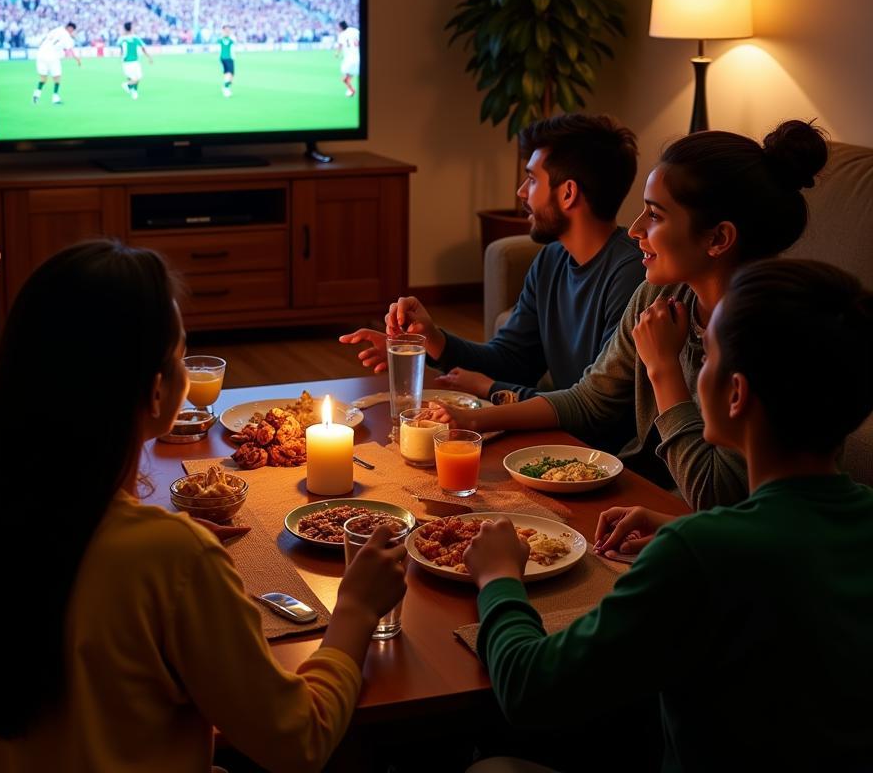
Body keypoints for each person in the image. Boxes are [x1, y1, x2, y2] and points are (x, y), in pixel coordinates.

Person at [0, 241, 406, 773]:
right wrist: (353, 610)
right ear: (157, 390)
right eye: (180, 351)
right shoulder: (168, 558)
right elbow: (298, 740)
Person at [463, 258, 873, 772]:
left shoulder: (702, 553)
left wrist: (500, 577)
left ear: (735, 393)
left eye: (706, 357)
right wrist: (681, 527)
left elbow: (529, 690)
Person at [434, 120, 828, 510]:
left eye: (655, 215)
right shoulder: (660, 294)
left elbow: (715, 495)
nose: (636, 229)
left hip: (708, 527)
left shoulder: (767, 338)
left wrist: (663, 368)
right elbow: (590, 400)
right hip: (645, 497)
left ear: (718, 238)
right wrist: (476, 421)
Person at [341, 116, 642, 443]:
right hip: (566, 439)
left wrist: (489, 390)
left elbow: (597, 409)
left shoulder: (630, 276)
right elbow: (513, 360)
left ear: (568, 193)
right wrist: (432, 339)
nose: (521, 192)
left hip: (608, 459)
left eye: (532, 179)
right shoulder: (552, 261)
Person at [33, 20, 81, 104]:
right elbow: (70, 50)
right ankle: (55, 98)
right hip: (52, 56)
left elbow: (44, 38)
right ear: (70, 29)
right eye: (73, 31)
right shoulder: (67, 36)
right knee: (57, 78)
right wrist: (77, 59)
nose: (72, 33)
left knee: (43, 79)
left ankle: (36, 95)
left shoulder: (56, 29)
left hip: (40, 54)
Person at [118, 19, 152, 100]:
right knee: (137, 78)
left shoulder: (121, 39)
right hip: (133, 61)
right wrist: (149, 57)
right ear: (131, 28)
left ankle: (133, 92)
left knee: (133, 77)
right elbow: (143, 48)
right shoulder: (135, 38)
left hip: (127, 62)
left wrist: (121, 58)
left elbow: (121, 51)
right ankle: (127, 85)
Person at [335, 19, 360, 97]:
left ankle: (352, 90)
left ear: (341, 27)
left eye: (338, 27)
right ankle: (351, 91)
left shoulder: (342, 34)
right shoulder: (355, 30)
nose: (338, 29)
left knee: (345, 79)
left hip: (349, 60)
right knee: (347, 78)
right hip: (358, 57)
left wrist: (336, 53)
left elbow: (340, 45)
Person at [218, 24, 235, 98]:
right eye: (226, 29)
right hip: (228, 58)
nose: (227, 31)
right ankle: (226, 88)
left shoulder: (230, 38)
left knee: (228, 74)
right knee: (229, 73)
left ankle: (226, 86)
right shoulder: (226, 39)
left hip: (226, 58)